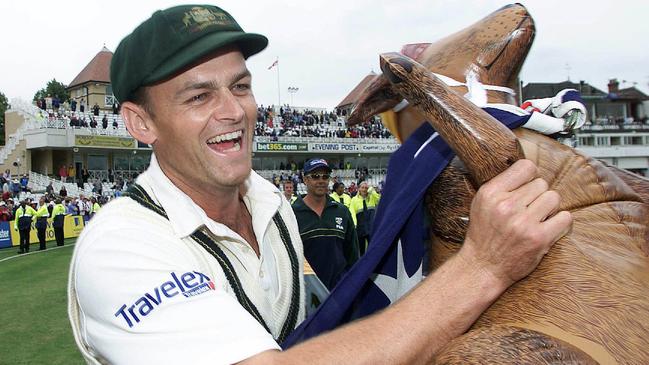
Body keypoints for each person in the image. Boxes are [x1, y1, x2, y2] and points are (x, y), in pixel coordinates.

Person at [67, 5, 571, 364]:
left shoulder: (271, 202)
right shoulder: (121, 247)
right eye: (198, 96)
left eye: (240, 85)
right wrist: (482, 268)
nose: (234, 111)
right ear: (141, 124)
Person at [292, 158, 359, 290]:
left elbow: (352, 255)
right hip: (307, 293)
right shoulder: (292, 214)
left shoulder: (342, 212)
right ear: (305, 180)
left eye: (325, 176)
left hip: (339, 291)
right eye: (315, 176)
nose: (321, 181)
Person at [349, 181, 381, 255]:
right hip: (360, 226)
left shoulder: (372, 197)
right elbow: (352, 212)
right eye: (362, 188)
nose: (364, 189)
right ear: (359, 189)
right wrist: (354, 224)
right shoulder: (354, 199)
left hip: (371, 226)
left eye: (366, 188)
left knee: (372, 248)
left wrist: (372, 191)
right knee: (361, 249)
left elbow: (379, 200)